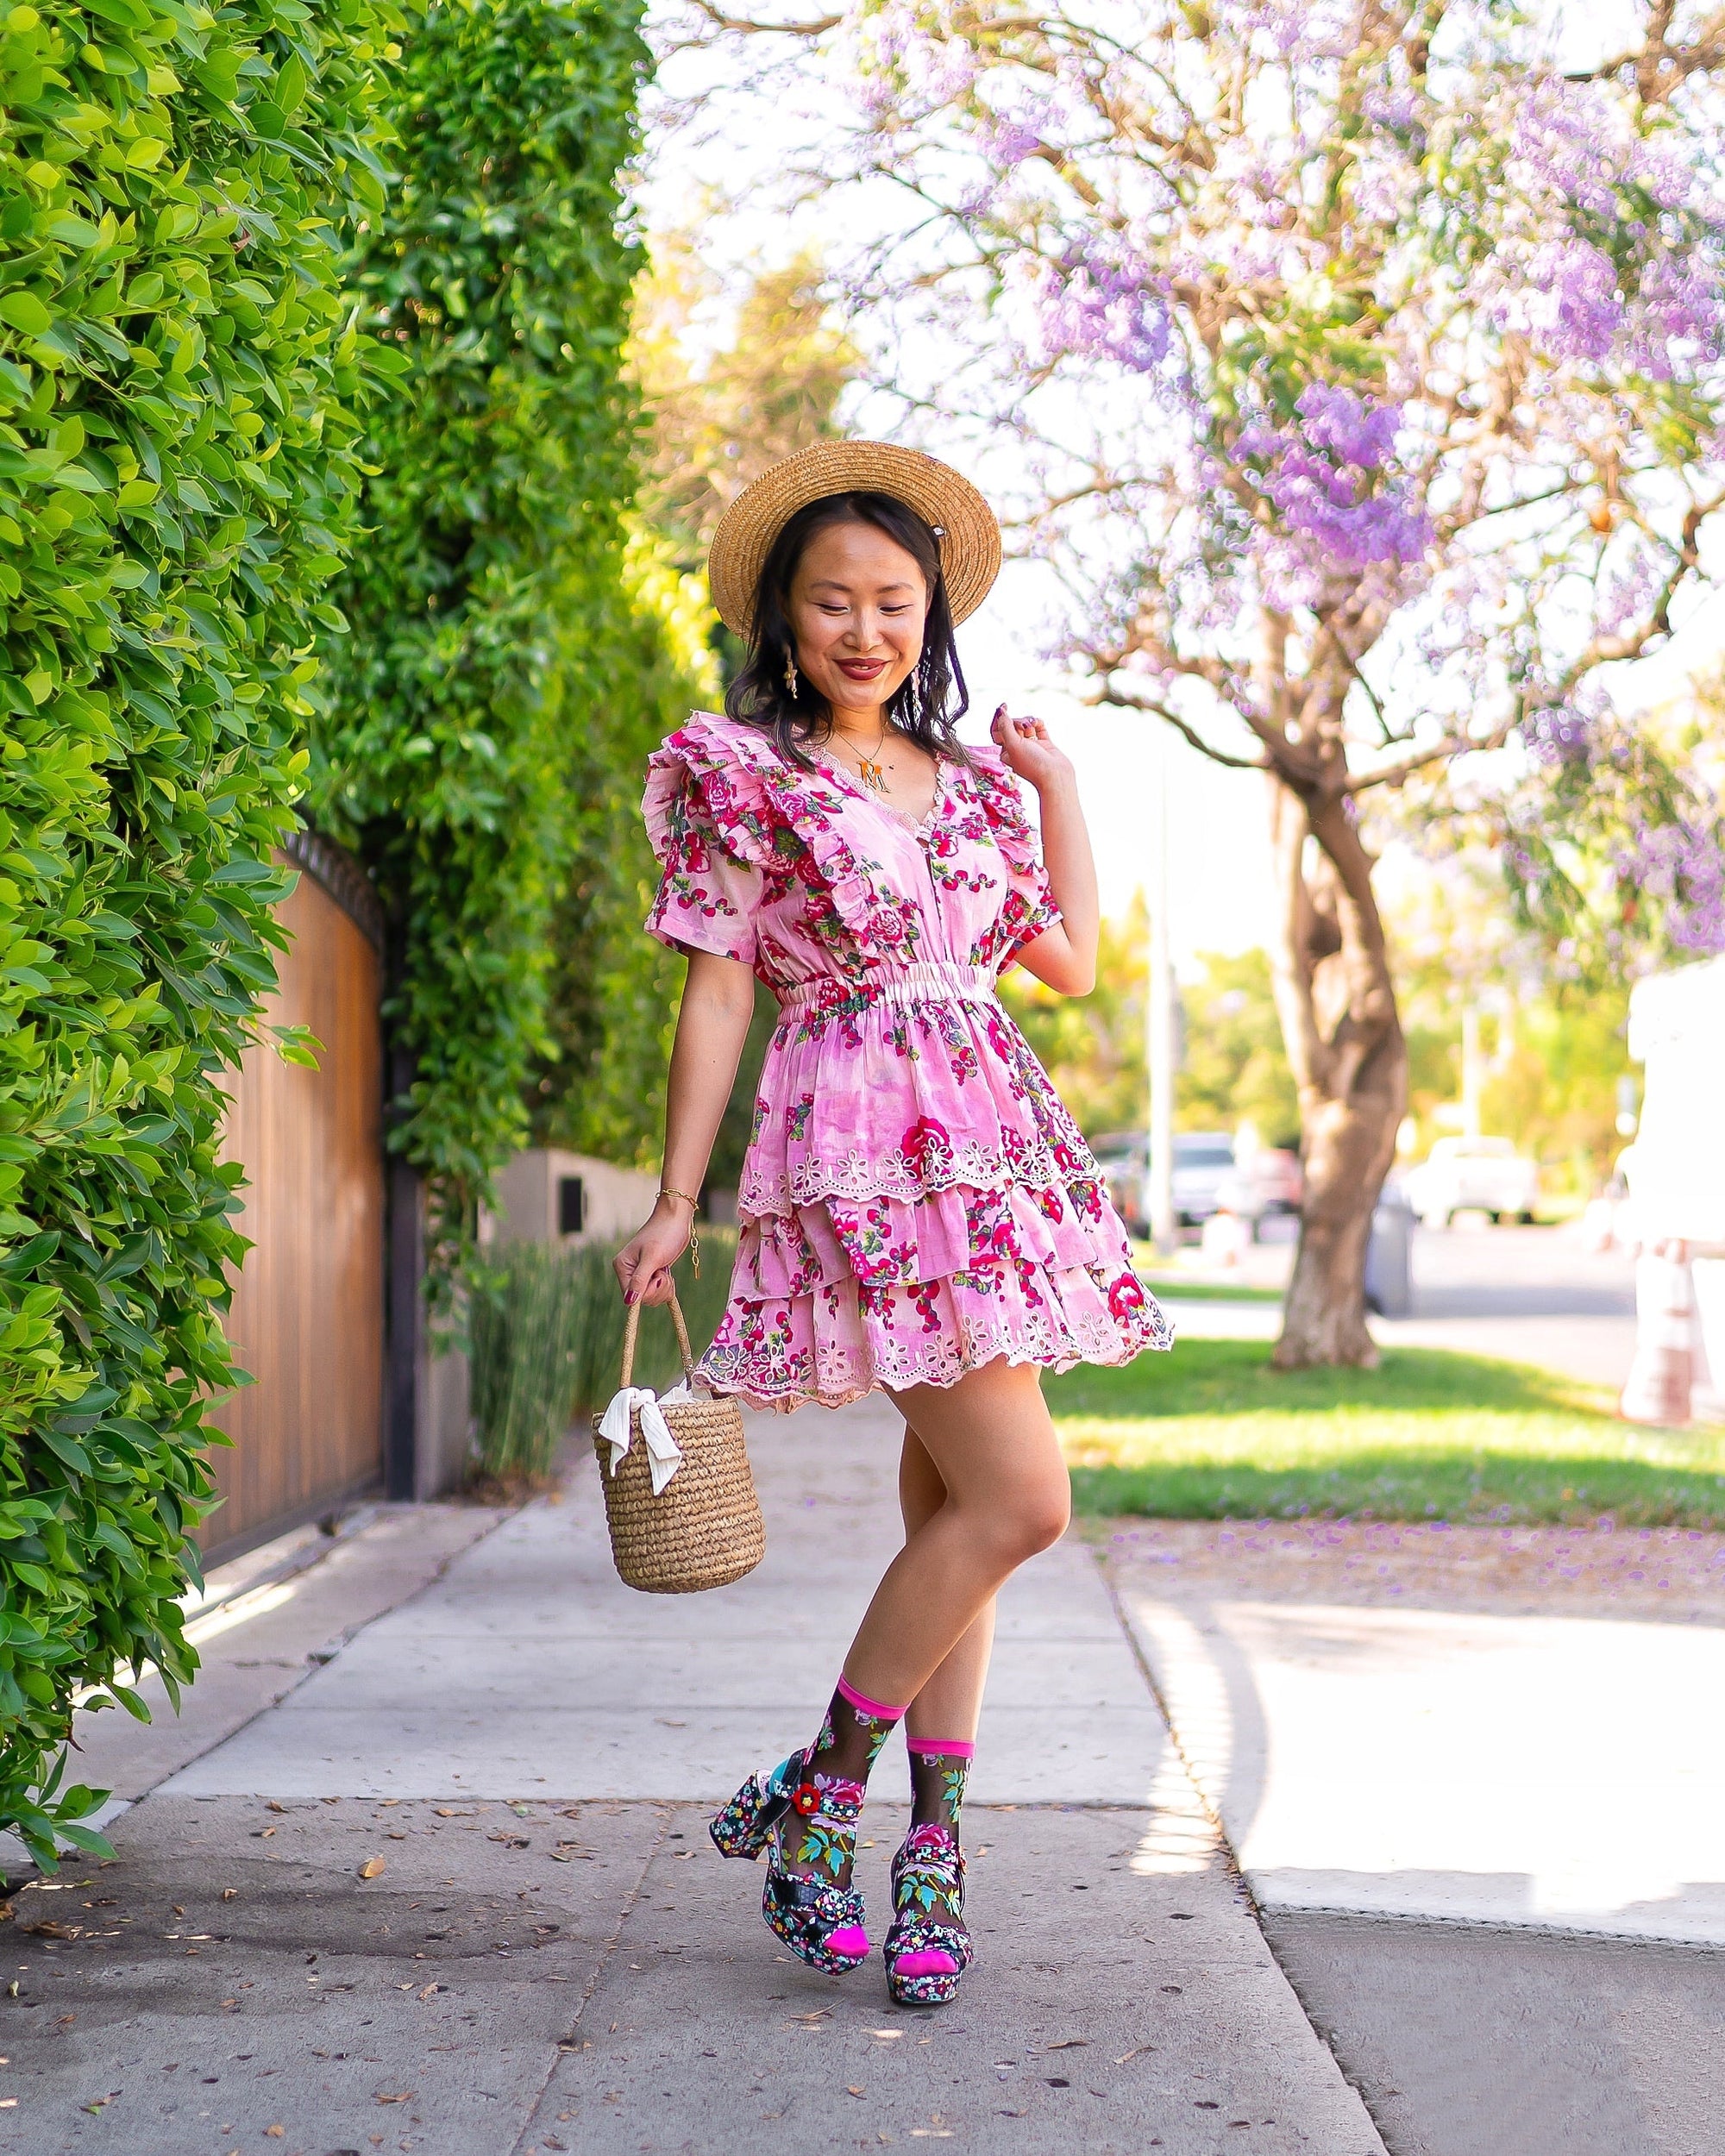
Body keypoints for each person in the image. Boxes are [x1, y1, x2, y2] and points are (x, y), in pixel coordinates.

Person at [614, 440, 1171, 2009]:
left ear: (931, 616)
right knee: (1024, 1502)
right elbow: (719, 988)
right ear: (783, 620)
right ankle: (817, 1796)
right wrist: (677, 1199)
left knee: (958, 1511)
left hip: (993, 1153)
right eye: (831, 602)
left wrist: (1060, 789)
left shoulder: (975, 783)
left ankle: (930, 1855)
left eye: (892, 603)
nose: (864, 631)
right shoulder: (745, 772)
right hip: (859, 1148)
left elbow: (1068, 963)